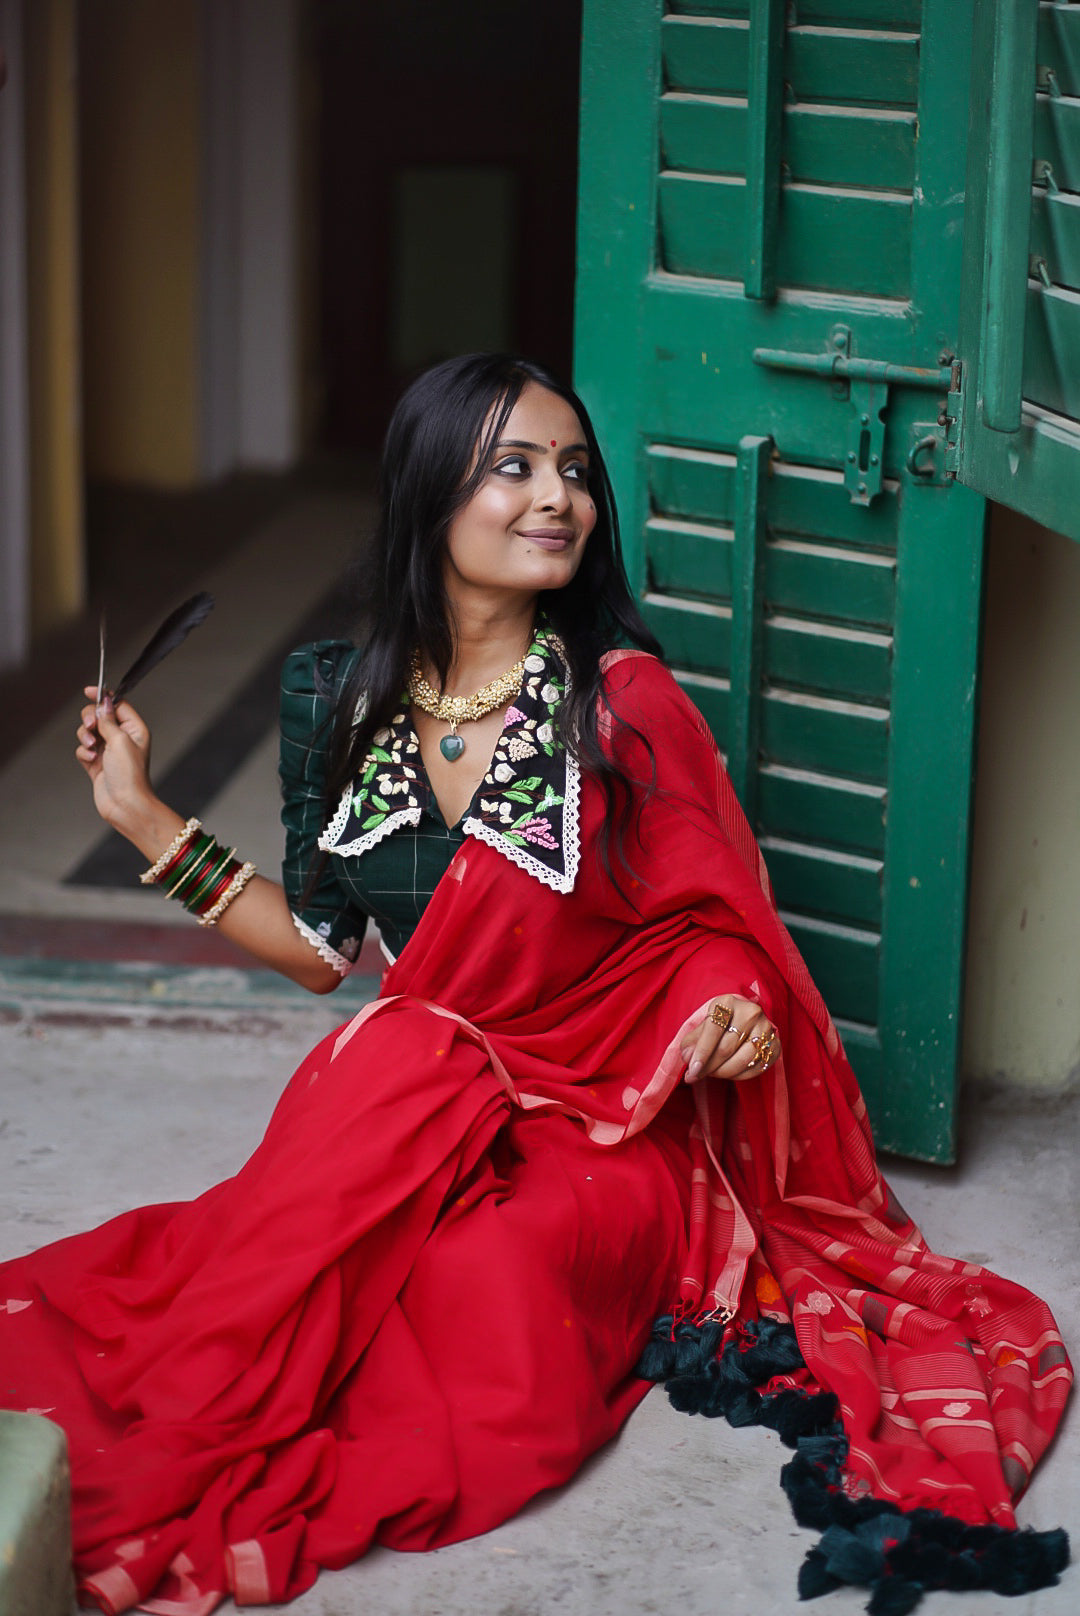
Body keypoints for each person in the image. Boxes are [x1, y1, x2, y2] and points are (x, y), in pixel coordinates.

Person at [0, 354, 1071, 1614]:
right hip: (412, 1089)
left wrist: (725, 1006)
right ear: (427, 496)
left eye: (572, 470)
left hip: (601, 1115)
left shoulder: (622, 704)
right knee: (278, 1263)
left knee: (480, 1278)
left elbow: (712, 922)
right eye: (512, 466)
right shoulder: (335, 701)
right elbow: (319, 956)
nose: (555, 496)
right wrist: (138, 816)